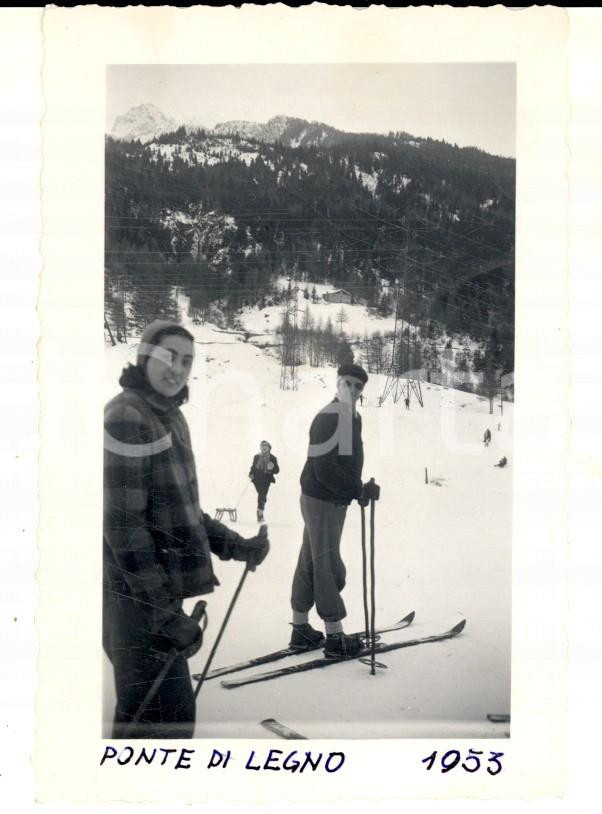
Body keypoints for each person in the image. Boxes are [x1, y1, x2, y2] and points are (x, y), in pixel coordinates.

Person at [103, 320, 270, 739]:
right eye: (168, 356)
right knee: (161, 721)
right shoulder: (126, 415)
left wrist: (236, 545)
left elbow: (183, 511)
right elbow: (124, 528)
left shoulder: (169, 416)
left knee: (151, 716)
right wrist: (162, 615)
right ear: (144, 357)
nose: (177, 368)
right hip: (135, 601)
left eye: (187, 361)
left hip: (154, 596)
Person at [289, 363, 380, 659]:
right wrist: (357, 490)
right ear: (339, 382)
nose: (353, 390)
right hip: (322, 500)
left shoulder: (350, 416)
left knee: (311, 560)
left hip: (326, 499)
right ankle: (335, 637)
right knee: (327, 565)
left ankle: (301, 630)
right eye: (349, 383)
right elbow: (323, 469)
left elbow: (344, 463)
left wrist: (359, 489)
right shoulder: (330, 417)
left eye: (358, 387)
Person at [249, 441, 279, 522]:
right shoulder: (256, 457)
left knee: (262, 495)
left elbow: (277, 470)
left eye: (266, 446)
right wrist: (251, 473)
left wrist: (272, 468)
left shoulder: (273, 458)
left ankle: (260, 514)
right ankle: (260, 512)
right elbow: (253, 467)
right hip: (256, 480)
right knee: (262, 496)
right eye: (262, 446)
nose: (264, 447)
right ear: (260, 447)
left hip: (266, 480)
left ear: (269, 448)